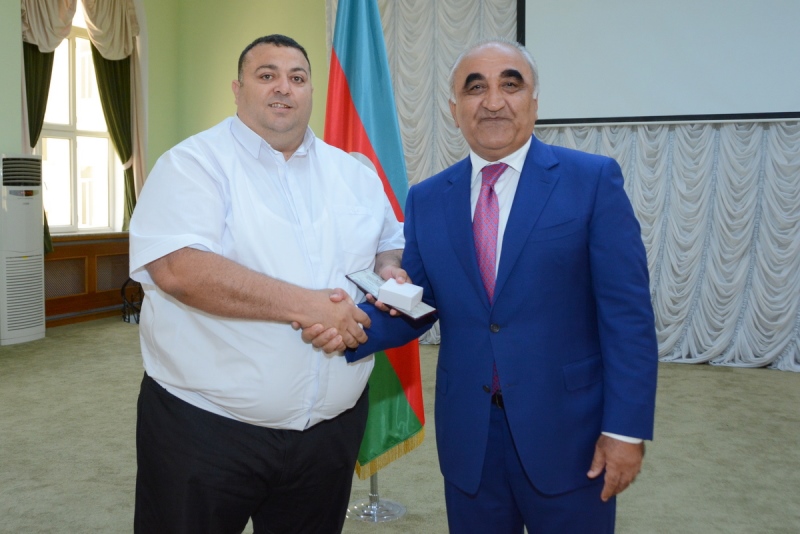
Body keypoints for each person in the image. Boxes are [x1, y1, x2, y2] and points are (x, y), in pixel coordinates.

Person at [314, 38, 659, 533]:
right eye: (475, 88)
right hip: (470, 437)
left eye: (510, 85)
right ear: (454, 109)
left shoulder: (592, 180)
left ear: (534, 100)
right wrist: (346, 326)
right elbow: (418, 303)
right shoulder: (428, 198)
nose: (493, 101)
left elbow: (628, 319)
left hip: (569, 434)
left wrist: (625, 430)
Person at [128, 34, 406, 533]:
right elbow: (178, 269)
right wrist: (309, 306)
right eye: (267, 75)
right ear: (237, 90)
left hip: (330, 433)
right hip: (206, 431)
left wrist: (389, 269)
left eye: (297, 77)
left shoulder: (355, 174)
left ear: (311, 91)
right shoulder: (192, 164)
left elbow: (389, 244)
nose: (283, 87)